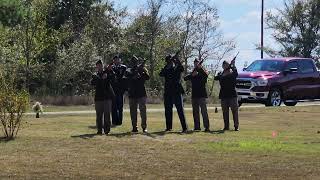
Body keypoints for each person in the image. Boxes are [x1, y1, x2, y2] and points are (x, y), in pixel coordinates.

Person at [159, 54, 188, 133]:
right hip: (168, 91)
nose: (169, 62)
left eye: (170, 61)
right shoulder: (166, 68)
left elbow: (182, 68)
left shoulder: (177, 67)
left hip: (177, 91)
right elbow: (161, 74)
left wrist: (177, 60)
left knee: (180, 110)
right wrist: (167, 66)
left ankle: (184, 127)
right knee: (168, 110)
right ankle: (169, 127)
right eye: (168, 61)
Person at [184, 58, 210, 132]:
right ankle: (197, 127)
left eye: (197, 63)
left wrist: (200, 69)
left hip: (202, 95)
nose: (196, 64)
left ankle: (207, 127)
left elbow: (206, 76)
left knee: (204, 112)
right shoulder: (193, 72)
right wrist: (192, 75)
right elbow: (185, 78)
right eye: (195, 63)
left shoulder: (203, 71)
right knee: (195, 112)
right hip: (194, 95)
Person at [125, 56, 150, 133]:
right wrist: (133, 76)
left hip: (141, 93)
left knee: (143, 111)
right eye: (133, 61)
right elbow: (127, 78)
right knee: (133, 112)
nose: (134, 63)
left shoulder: (142, 68)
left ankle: (144, 127)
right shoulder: (128, 70)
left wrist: (142, 72)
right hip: (132, 93)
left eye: (135, 61)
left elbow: (147, 77)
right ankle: (134, 127)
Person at [91, 60, 115, 135]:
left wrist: (109, 72)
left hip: (107, 97)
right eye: (98, 65)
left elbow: (113, 78)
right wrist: (100, 78)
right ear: (96, 67)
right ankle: (99, 130)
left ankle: (107, 130)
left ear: (102, 65)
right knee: (99, 115)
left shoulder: (107, 72)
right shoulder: (95, 75)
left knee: (107, 115)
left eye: (100, 65)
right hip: (98, 98)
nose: (99, 67)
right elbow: (92, 83)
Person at [214, 58, 239, 131]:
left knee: (234, 112)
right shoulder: (221, 74)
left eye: (226, 65)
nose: (225, 66)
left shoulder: (232, 72)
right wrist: (222, 73)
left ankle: (236, 126)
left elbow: (236, 73)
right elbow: (216, 78)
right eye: (224, 65)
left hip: (232, 95)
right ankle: (226, 126)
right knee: (225, 112)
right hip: (223, 95)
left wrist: (233, 65)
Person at [111, 55, 127, 126]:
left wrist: (125, 89)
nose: (116, 61)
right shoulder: (111, 68)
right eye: (115, 60)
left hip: (120, 91)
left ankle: (119, 121)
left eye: (118, 60)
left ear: (120, 60)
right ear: (113, 61)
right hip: (113, 91)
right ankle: (114, 121)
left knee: (120, 107)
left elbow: (125, 79)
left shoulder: (123, 67)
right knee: (113, 107)